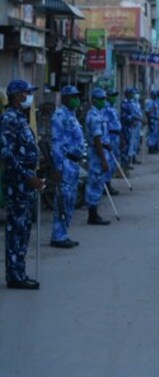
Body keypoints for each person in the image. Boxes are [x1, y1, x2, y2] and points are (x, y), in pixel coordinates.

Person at [1, 79, 45, 289]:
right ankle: (15, 275)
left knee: (24, 228)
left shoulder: (21, 117)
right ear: (17, 95)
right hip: (18, 182)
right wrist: (28, 176)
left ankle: (19, 271)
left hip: (26, 181)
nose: (29, 96)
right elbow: (6, 154)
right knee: (16, 229)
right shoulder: (9, 118)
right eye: (27, 92)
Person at [50, 85, 86, 249]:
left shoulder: (71, 115)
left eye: (77, 96)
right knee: (63, 200)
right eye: (73, 96)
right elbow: (56, 144)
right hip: (64, 163)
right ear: (65, 98)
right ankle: (58, 236)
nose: (76, 99)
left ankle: (64, 233)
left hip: (73, 163)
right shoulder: (59, 115)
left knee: (70, 199)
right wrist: (57, 168)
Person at [84, 87, 113, 226]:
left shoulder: (99, 113)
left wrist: (106, 145)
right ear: (94, 100)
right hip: (96, 154)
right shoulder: (93, 116)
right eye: (101, 99)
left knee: (98, 182)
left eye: (104, 99)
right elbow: (96, 139)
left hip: (101, 151)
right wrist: (103, 159)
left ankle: (94, 212)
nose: (103, 101)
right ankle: (92, 214)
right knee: (94, 183)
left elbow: (101, 137)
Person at [102, 89, 122, 194]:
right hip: (110, 136)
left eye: (115, 95)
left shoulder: (112, 108)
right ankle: (106, 184)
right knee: (109, 161)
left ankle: (108, 182)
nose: (114, 97)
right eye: (112, 95)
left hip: (115, 137)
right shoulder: (105, 108)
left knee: (113, 161)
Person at [121, 87, 143, 166]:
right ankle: (125, 162)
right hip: (127, 126)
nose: (133, 95)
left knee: (133, 142)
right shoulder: (125, 103)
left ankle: (130, 160)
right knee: (127, 145)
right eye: (132, 93)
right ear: (128, 94)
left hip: (133, 125)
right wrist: (134, 119)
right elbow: (125, 116)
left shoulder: (132, 102)